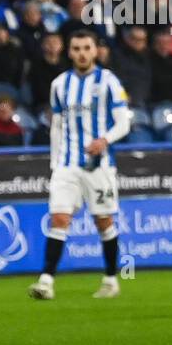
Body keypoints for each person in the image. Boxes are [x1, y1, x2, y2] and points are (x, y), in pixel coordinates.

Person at [28, 30, 130, 301]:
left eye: (87, 47)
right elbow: (57, 126)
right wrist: (55, 162)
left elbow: (124, 122)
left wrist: (104, 139)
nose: (82, 53)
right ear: (69, 52)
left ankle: (110, 279)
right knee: (59, 218)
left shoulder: (109, 82)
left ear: (95, 51)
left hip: (99, 166)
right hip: (66, 165)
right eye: (76, 48)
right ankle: (46, 281)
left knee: (103, 221)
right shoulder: (60, 84)